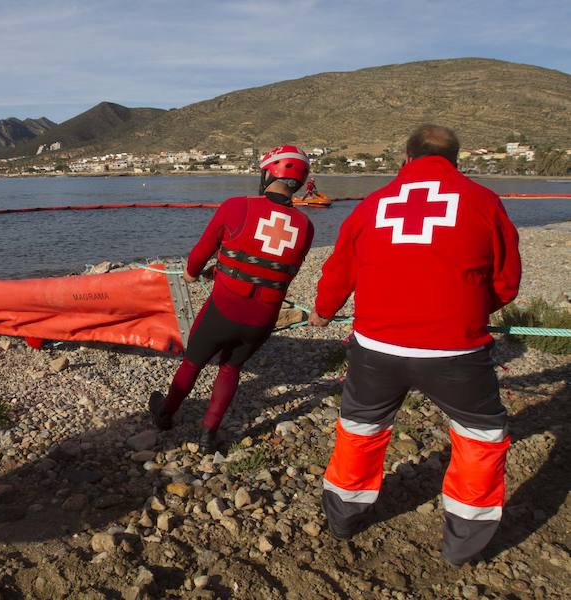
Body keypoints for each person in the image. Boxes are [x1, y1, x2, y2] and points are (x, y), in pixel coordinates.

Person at [308, 124, 521, 566]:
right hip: (456, 353)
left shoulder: (372, 205)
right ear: (456, 161)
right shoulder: (483, 202)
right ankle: (463, 545)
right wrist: (469, 310)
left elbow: (338, 271)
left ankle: (343, 519)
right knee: (480, 437)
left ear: (405, 159)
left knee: (360, 428)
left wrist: (323, 311)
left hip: (375, 349)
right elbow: (506, 281)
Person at [149, 145, 315, 453]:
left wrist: (193, 273)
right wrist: (231, 268)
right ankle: (208, 433)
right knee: (230, 369)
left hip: (224, 308)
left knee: (193, 362)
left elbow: (200, 253)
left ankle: (165, 414)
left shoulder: (236, 206)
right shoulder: (306, 226)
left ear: (268, 173)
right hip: (263, 317)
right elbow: (279, 268)